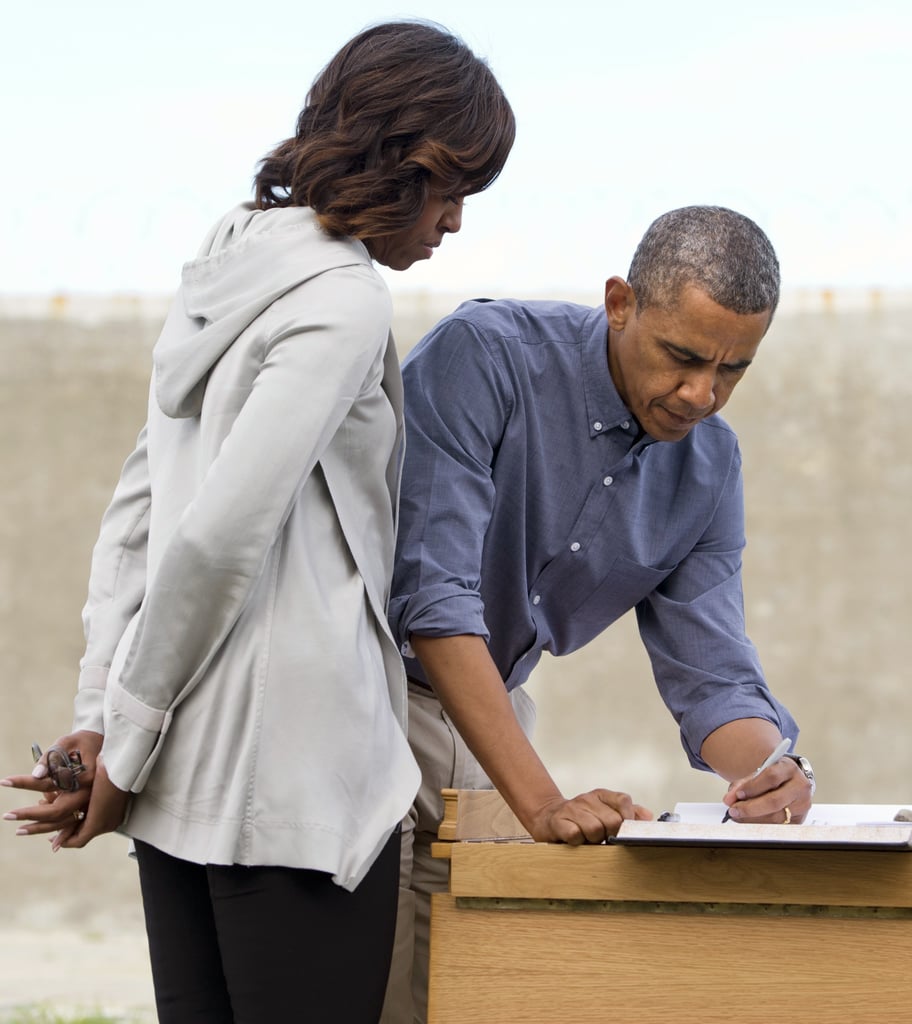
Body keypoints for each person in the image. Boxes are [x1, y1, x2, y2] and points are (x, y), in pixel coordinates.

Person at [1, 20, 514, 1024]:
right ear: (397, 162)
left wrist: (107, 720)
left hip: (186, 780)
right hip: (293, 790)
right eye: (450, 189)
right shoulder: (341, 301)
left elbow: (138, 513)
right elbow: (214, 536)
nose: (452, 222)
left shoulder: (221, 269)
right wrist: (124, 742)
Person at [381, 205, 817, 1022]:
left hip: (489, 721)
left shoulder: (711, 467)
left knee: (459, 1002)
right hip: (362, 704)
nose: (702, 395)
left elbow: (714, 676)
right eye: (683, 358)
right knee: (357, 995)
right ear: (621, 303)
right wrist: (543, 804)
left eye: (733, 370)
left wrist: (768, 772)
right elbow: (432, 599)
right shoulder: (488, 358)